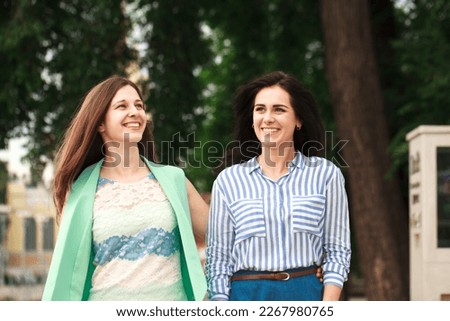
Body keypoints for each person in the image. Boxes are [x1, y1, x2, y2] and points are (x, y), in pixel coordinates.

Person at [42, 76, 208, 301]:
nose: (135, 112)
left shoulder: (174, 179)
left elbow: (225, 234)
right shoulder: (80, 191)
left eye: (139, 105)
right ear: (100, 123)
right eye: (122, 106)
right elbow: (65, 270)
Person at [205, 71, 351, 301]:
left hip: (307, 296)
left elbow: (337, 251)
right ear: (252, 121)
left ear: (299, 119)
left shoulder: (326, 175)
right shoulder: (228, 181)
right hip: (246, 297)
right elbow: (218, 261)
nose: (268, 118)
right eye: (260, 109)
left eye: (279, 109)